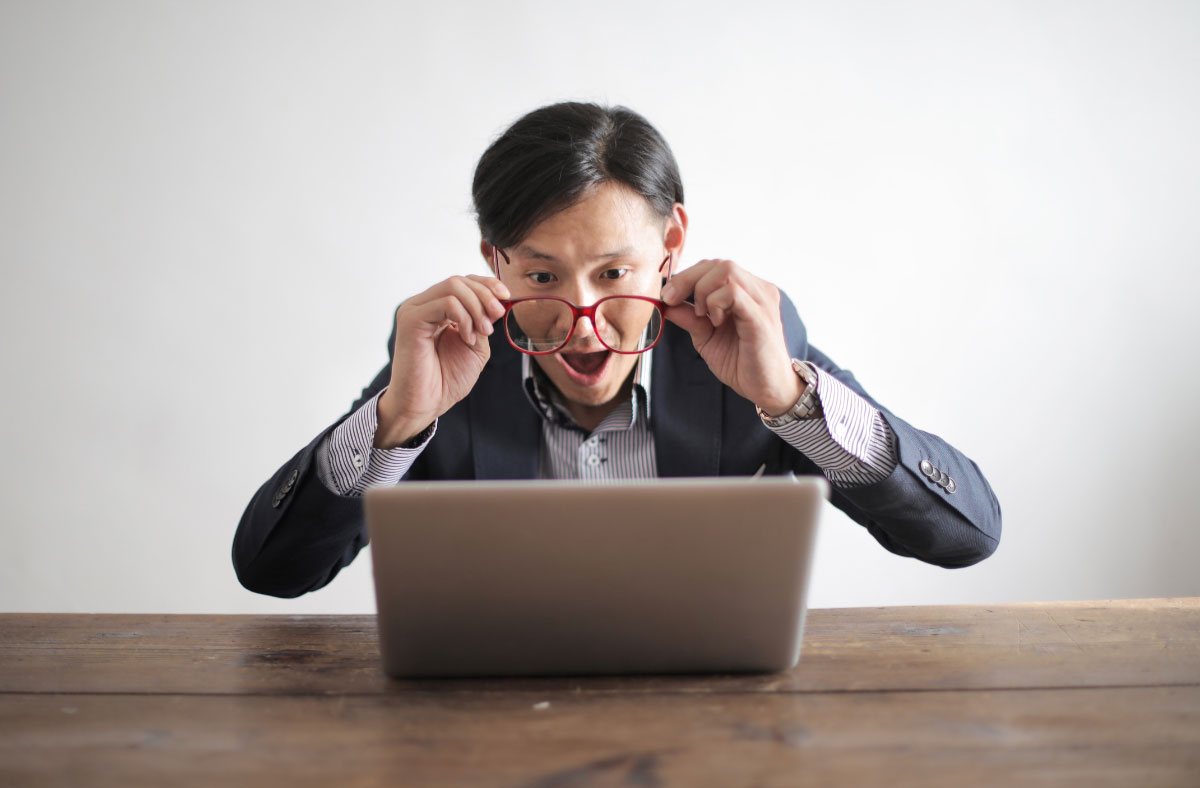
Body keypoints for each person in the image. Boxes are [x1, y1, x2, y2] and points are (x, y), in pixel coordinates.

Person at [233, 102, 1001, 599]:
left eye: (613, 274)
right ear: (493, 261)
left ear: (670, 246)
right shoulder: (451, 360)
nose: (583, 320)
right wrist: (397, 421)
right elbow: (272, 571)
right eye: (541, 275)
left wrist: (791, 402)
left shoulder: (749, 344)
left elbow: (966, 536)